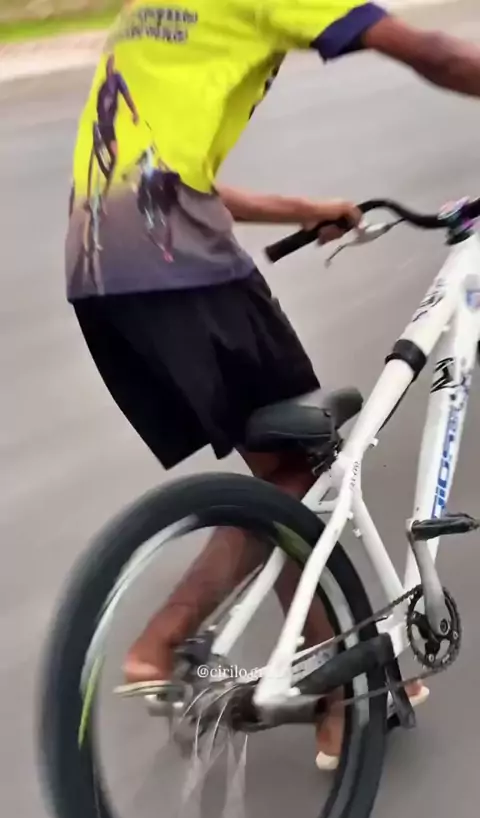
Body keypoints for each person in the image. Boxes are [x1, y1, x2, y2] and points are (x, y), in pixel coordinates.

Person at [66, 0, 480, 770]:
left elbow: (163, 174)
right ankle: (167, 639)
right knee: (302, 472)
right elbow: (434, 53)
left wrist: (301, 209)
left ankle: (341, 693)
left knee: (285, 481)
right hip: (175, 261)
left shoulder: (148, 11)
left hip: (102, 272)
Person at [94, 53, 139, 206]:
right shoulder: (109, 83)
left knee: (114, 160)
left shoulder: (110, 82)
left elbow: (125, 96)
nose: (109, 69)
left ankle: (106, 190)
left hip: (105, 126)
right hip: (105, 127)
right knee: (114, 158)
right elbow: (126, 96)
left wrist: (134, 112)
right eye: (109, 66)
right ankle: (105, 193)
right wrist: (135, 112)